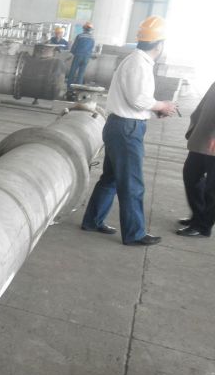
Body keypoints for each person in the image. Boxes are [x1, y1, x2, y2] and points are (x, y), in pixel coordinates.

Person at [80, 15, 177, 246]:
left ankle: (92, 221)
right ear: (160, 44)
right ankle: (134, 234)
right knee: (132, 183)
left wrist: (155, 110)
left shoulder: (137, 61)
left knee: (111, 178)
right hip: (126, 129)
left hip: (121, 126)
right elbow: (138, 99)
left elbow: (135, 100)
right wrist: (161, 105)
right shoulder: (138, 64)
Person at [176, 81, 215, 238]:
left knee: (212, 189)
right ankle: (198, 216)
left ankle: (203, 226)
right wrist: (193, 128)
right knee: (191, 176)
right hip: (202, 137)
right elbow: (202, 105)